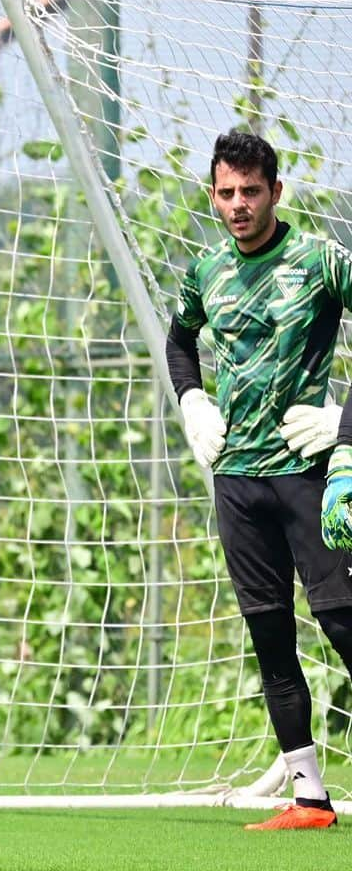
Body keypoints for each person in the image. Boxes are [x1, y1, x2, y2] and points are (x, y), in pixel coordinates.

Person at [166, 129, 352, 830]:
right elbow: (179, 340)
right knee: (269, 634)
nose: (239, 204)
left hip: (310, 472)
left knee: (341, 621)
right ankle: (309, 794)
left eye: (251, 191)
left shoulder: (321, 260)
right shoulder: (205, 270)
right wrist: (192, 401)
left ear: (276, 191)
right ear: (213, 195)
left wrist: (345, 426)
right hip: (237, 479)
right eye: (226, 192)